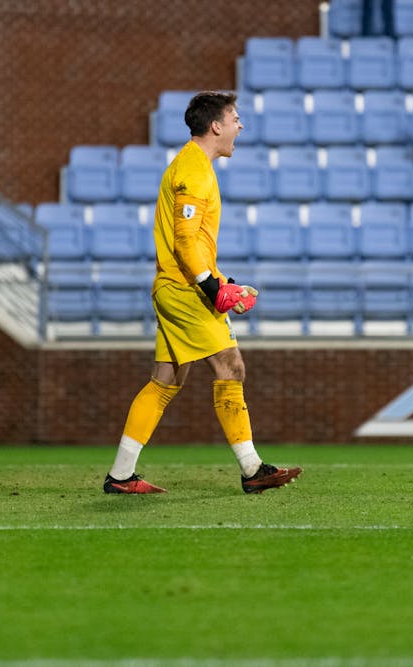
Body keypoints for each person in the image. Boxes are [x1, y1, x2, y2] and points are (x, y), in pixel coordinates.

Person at [104, 91, 301, 495]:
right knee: (231, 367)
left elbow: (193, 245)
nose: (240, 125)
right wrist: (212, 287)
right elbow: (184, 239)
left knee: (165, 381)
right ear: (216, 126)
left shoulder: (192, 165)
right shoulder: (193, 169)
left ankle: (121, 475)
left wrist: (223, 281)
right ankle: (252, 469)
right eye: (235, 118)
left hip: (173, 286)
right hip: (184, 290)